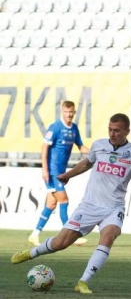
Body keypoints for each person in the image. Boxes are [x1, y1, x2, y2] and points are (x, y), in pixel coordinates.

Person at [11, 114, 131, 294]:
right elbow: (86, 163)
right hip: (89, 205)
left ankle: (83, 281)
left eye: (117, 130)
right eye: (110, 129)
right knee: (61, 243)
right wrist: (68, 175)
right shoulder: (99, 145)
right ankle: (31, 253)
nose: (112, 134)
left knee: (108, 237)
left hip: (113, 208)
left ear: (126, 131)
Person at [29, 100, 90, 247]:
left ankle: (34, 234)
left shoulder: (74, 129)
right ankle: (69, 236)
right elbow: (44, 147)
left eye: (71, 112)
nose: (69, 114)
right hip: (52, 172)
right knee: (64, 201)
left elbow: (81, 147)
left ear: (74, 112)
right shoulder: (55, 127)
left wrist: (96, 152)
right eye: (66, 112)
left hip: (61, 172)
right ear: (62, 112)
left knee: (51, 204)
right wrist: (44, 169)